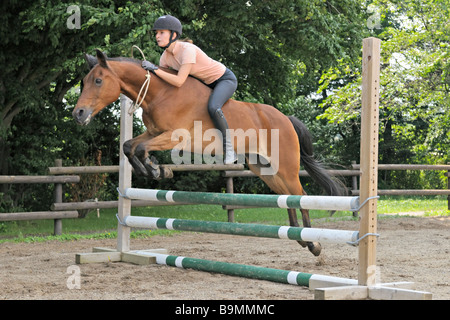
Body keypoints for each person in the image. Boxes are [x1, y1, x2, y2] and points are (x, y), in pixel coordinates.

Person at [142, 15, 238, 164]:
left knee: (213, 107)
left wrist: (154, 69)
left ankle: (230, 149)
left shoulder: (187, 50)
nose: (157, 36)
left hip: (224, 80)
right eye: (156, 33)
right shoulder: (165, 57)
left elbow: (179, 81)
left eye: (161, 32)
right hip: (205, 83)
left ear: (173, 35)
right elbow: (163, 83)